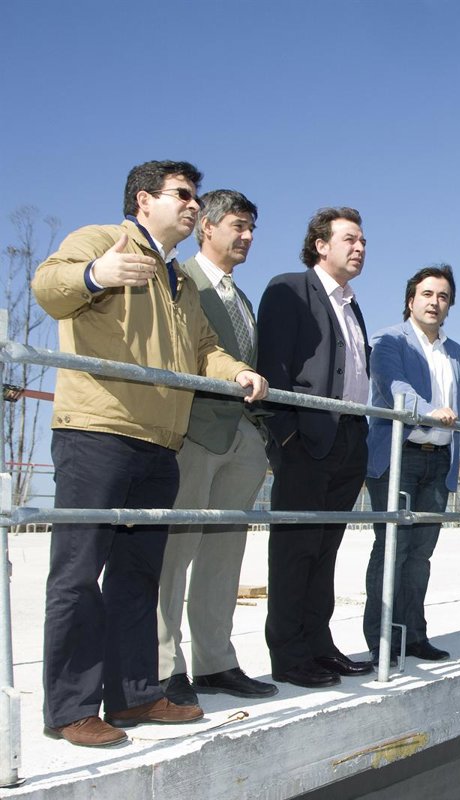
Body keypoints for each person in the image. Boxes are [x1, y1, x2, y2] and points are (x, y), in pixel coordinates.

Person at [32, 160, 269, 748]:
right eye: (182, 195)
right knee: (77, 575)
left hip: (160, 442)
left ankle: (134, 694)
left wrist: (237, 371)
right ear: (143, 200)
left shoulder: (178, 279)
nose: (193, 205)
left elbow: (204, 348)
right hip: (98, 432)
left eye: (195, 197)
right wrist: (95, 274)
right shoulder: (98, 240)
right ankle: (70, 708)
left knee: (137, 576)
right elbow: (48, 287)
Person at [157, 189, 277, 706]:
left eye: (251, 228)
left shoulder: (241, 298)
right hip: (194, 434)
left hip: (242, 438)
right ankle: (164, 667)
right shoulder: (179, 279)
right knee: (174, 554)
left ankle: (216, 662)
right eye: (237, 226)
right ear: (206, 227)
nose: (247, 236)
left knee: (224, 557)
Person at [256, 207, 373, 688]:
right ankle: (289, 655)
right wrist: (287, 435)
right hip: (306, 439)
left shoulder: (352, 305)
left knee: (325, 550)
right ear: (321, 245)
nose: (360, 248)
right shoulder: (289, 289)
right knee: (295, 550)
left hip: (349, 439)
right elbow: (273, 365)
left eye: (363, 241)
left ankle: (319, 645)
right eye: (350, 239)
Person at [363, 264, 460, 663]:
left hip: (439, 462)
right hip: (398, 457)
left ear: (449, 306)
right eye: (427, 294)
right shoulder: (389, 340)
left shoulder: (456, 353)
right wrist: (428, 411)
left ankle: (414, 636)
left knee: (420, 556)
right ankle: (382, 641)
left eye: (443, 296)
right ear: (411, 300)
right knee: (392, 550)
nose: (434, 302)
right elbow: (393, 387)